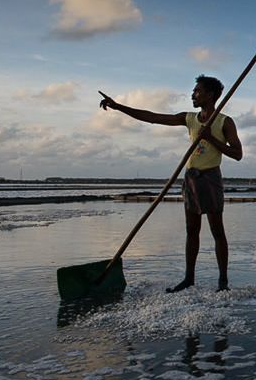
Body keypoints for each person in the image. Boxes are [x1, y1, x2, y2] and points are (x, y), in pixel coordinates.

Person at [99, 75, 243, 292]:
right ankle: (188, 279)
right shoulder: (189, 118)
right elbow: (153, 117)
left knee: (217, 231)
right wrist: (118, 107)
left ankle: (223, 282)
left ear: (210, 95)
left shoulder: (224, 121)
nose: (193, 94)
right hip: (191, 178)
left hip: (211, 178)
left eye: (197, 91)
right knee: (191, 230)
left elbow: (238, 153)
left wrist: (210, 138)